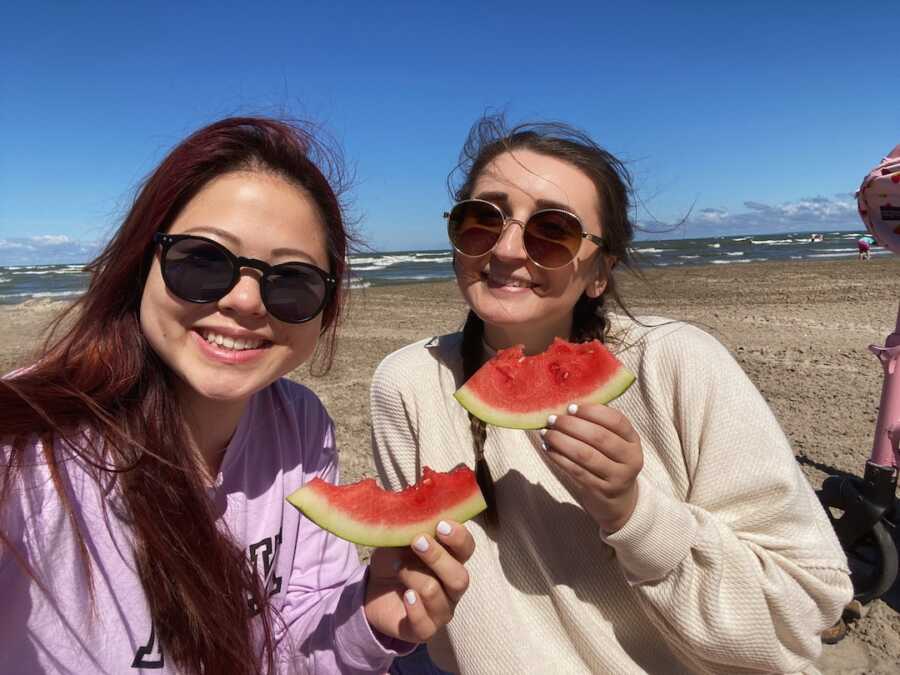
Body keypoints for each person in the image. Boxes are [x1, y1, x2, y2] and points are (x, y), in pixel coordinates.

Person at [370, 115, 853, 674]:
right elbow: (444, 625)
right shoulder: (405, 382)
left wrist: (635, 514)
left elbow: (805, 611)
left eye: (553, 231)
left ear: (599, 270)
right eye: (482, 218)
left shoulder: (678, 362)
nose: (504, 249)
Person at [0, 117, 475, 675]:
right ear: (139, 264)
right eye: (203, 261)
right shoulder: (25, 448)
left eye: (293, 280)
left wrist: (366, 622)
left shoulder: (302, 423)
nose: (247, 300)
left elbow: (298, 638)